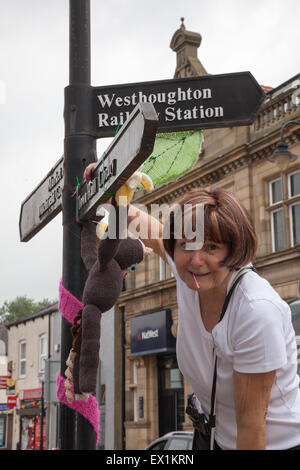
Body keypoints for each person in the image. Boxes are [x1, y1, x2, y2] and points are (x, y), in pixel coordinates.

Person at [84, 164, 300, 450]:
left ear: (234, 251)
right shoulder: (188, 268)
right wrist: (107, 188)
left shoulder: (256, 311)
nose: (196, 260)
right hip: (211, 435)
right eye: (186, 243)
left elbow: (251, 428)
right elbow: (142, 223)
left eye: (212, 247)